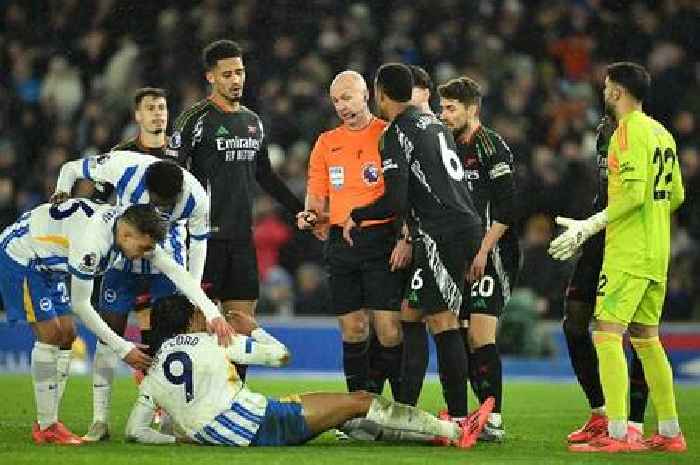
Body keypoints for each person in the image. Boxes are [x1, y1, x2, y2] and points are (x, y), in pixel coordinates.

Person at [124, 294, 494, 449]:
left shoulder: (155, 368)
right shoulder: (215, 341)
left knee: (345, 418)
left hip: (243, 423)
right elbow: (282, 356)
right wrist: (253, 328)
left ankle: (433, 437)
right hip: (261, 424)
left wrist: (179, 439)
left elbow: (135, 431)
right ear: (192, 319)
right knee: (360, 402)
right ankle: (456, 429)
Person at [0, 201, 230, 445]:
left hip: (49, 263)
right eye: (142, 248)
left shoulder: (131, 227)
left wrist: (211, 314)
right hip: (23, 256)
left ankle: (49, 421)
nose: (143, 255)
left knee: (67, 334)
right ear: (127, 234)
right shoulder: (92, 245)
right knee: (51, 335)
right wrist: (123, 348)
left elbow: (175, 272)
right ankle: (47, 427)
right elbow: (81, 305)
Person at [549, 62, 686, 453]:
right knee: (646, 339)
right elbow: (675, 196)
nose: (604, 91)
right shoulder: (661, 133)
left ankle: (618, 433)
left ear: (616, 92)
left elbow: (632, 194)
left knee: (606, 334)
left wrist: (588, 226)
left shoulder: (627, 131)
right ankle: (671, 432)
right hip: (658, 251)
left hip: (628, 252)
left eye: (607, 86)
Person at [342, 63, 484, 428]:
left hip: (443, 232)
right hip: (454, 226)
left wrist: (356, 215)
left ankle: (458, 417)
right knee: (409, 313)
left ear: (379, 94)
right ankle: (406, 411)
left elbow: (395, 201)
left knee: (442, 319)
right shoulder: (433, 123)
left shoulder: (396, 132)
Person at [51, 154, 213, 441]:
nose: (161, 209)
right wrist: (62, 191)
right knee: (108, 338)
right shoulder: (123, 167)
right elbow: (72, 168)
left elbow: (199, 242)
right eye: (156, 200)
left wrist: (194, 291)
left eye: (167, 204)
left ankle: (165, 417)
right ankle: (99, 420)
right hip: (122, 263)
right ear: (145, 186)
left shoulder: (197, 197)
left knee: (167, 344)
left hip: (165, 263)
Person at [168, 39, 304, 380]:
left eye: (239, 72)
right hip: (203, 240)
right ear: (211, 77)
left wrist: (298, 210)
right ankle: (189, 400)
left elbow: (265, 175)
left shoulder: (253, 122)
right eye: (227, 74)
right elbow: (170, 174)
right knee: (198, 326)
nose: (236, 80)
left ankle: (234, 398)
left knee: (242, 326)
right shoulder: (195, 119)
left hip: (243, 240)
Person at [297, 70, 407, 397]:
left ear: (366, 96)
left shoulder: (388, 135)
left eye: (347, 97)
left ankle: (402, 406)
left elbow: (402, 195)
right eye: (335, 101)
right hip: (341, 245)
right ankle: (357, 409)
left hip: (382, 239)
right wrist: (310, 215)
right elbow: (316, 196)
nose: (341, 106)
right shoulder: (326, 143)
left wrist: (405, 237)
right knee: (353, 327)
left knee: (388, 329)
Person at [438, 76, 520, 441]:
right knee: (461, 336)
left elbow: (508, 207)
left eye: (451, 108)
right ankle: (482, 410)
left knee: (480, 334)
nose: (444, 114)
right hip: (461, 254)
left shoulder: (491, 146)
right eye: (442, 107)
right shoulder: (446, 146)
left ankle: (495, 418)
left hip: (494, 252)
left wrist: (484, 250)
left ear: (472, 109)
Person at [562, 115, 650, 444]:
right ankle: (600, 412)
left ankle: (635, 422)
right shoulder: (604, 132)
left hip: (631, 241)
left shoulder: (645, 135)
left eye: (611, 88)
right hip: (599, 235)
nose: (607, 94)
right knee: (574, 320)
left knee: (640, 332)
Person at [92, 87, 179, 203]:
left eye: (161, 108)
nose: (157, 114)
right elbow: (98, 200)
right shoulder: (119, 154)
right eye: (150, 109)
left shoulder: (179, 152)